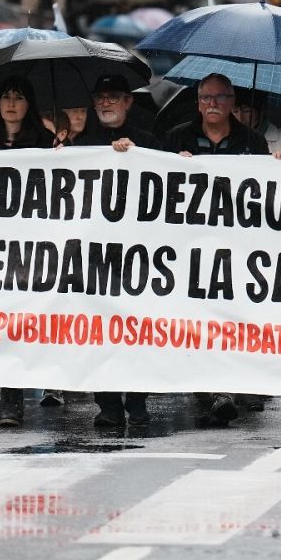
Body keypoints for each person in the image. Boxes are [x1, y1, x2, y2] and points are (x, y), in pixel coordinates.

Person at [161, 73, 281, 425]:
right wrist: (173, 167)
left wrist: (278, 166)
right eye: (206, 97)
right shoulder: (175, 139)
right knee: (197, 317)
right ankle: (209, 387)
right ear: (197, 102)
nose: (212, 103)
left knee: (230, 315)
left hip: (235, 247)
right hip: (188, 247)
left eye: (220, 97)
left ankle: (224, 386)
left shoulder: (253, 143)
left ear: (232, 102)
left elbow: (263, 193)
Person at [0, 76, 53, 425]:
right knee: (6, 323)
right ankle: (10, 400)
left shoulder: (46, 143)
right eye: (6, 96)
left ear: (29, 104)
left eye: (19, 97)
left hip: (35, 245)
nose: (11, 103)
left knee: (32, 320)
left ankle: (46, 383)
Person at [79, 75, 157, 428]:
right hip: (94, 254)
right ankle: (107, 403)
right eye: (101, 97)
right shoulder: (82, 145)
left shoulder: (149, 144)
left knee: (137, 329)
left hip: (139, 254)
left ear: (128, 102)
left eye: (113, 97)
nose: (106, 103)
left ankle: (137, 400)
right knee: (98, 331)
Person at [232, 88, 281, 156]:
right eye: (235, 111)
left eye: (247, 111)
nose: (240, 118)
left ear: (260, 112)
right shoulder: (227, 138)